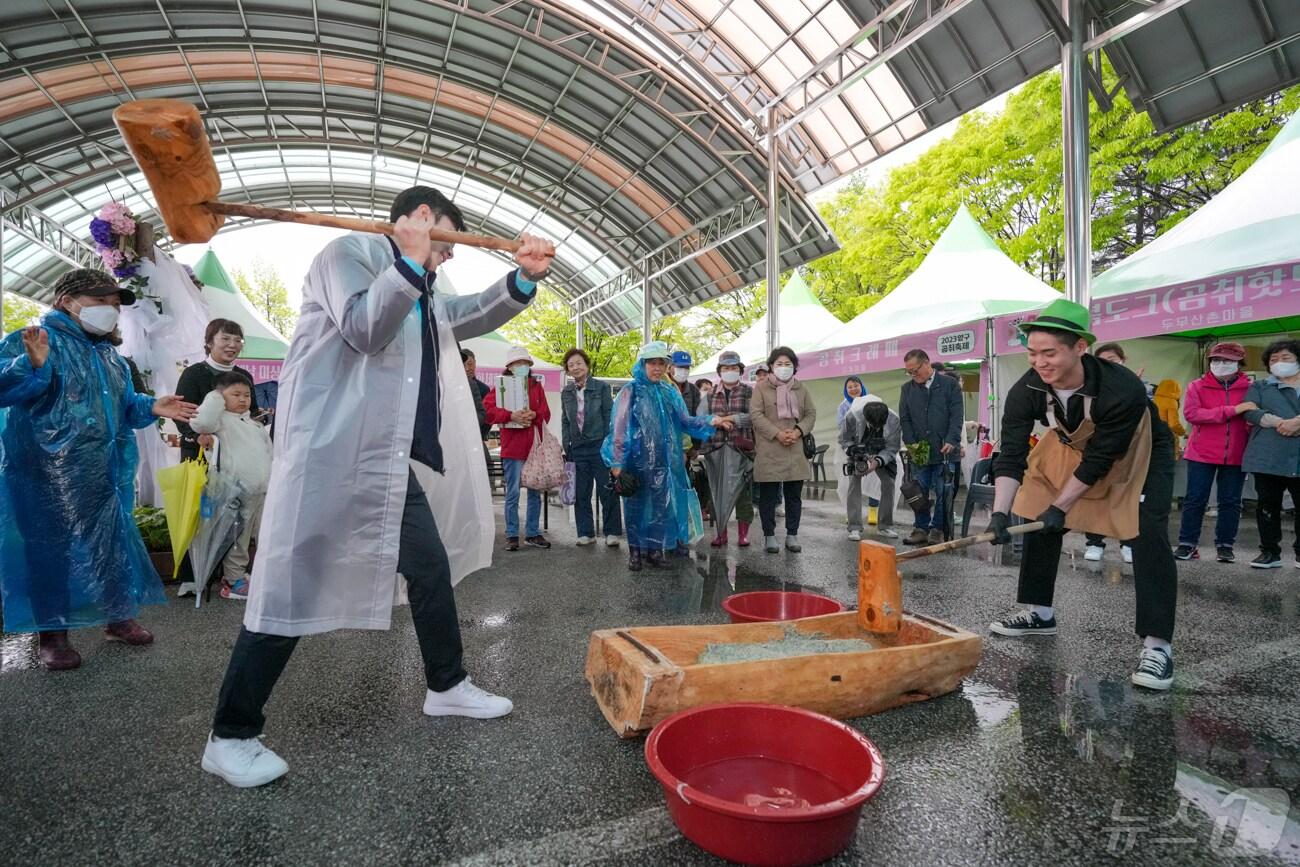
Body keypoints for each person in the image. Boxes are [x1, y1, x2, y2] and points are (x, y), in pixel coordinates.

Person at [201, 186, 554, 788]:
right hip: (329, 453)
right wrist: (413, 262)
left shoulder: (419, 283)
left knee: (430, 566)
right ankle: (231, 734)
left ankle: (447, 685)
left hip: (386, 462)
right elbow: (364, 327)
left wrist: (520, 280)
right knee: (291, 581)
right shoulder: (348, 254)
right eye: (444, 243)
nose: (446, 259)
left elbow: (462, 315)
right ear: (419, 220)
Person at [0, 269, 197, 671]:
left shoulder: (110, 357)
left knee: (111, 544)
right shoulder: (33, 340)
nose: (110, 310)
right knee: (49, 551)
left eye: (113, 304)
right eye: (100, 301)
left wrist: (151, 406)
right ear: (67, 302)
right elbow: (5, 387)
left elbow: (124, 407)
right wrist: (31, 365)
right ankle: (52, 635)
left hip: (105, 472)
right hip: (45, 474)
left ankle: (117, 617)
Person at [985, 299, 1178, 691]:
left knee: (1147, 533)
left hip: (1139, 448)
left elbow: (1100, 460)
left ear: (1079, 347)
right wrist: (1000, 514)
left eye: (1049, 353)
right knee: (1038, 513)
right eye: (1033, 353)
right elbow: (1012, 452)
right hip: (1070, 442)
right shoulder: (1028, 388)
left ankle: (1158, 647)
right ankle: (1039, 613)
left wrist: (1062, 507)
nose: (1040, 362)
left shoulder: (1120, 388)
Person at [601, 341, 730, 571]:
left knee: (661, 507)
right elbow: (618, 429)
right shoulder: (629, 392)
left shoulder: (669, 392)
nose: (657, 368)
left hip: (666, 463)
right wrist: (617, 464)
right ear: (642, 364)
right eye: (652, 362)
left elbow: (685, 421)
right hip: (636, 463)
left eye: (662, 363)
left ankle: (654, 551)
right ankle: (635, 553)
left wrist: (711, 420)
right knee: (635, 508)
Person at [189, 372, 275, 601]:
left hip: (262, 489)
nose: (243, 399)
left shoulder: (253, 424)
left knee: (263, 535)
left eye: (247, 394)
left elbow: (270, 453)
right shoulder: (220, 421)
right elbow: (201, 422)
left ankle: (251, 575)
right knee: (238, 537)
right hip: (236, 490)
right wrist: (216, 397)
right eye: (235, 394)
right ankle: (233, 580)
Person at [1174, 342, 1251, 563]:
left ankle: (1225, 545)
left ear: (1239, 363)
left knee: (1231, 501)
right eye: (1216, 360)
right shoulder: (1197, 386)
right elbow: (1193, 414)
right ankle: (1187, 543)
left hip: (1236, 451)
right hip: (1201, 452)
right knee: (1195, 499)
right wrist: (1232, 411)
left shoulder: (1251, 388)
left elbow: (1253, 417)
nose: (1221, 364)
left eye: (1227, 360)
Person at [483, 345, 552, 552]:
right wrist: (510, 416)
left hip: (533, 448)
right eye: (517, 363)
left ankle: (532, 533)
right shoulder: (500, 386)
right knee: (512, 493)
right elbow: (487, 410)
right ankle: (512, 534)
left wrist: (534, 416)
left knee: (534, 491)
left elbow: (545, 413)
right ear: (510, 366)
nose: (522, 366)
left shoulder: (536, 386)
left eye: (525, 363)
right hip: (512, 448)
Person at [752, 346, 816, 554]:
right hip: (770, 447)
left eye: (788, 364)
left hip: (794, 448)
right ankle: (769, 535)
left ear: (794, 367)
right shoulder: (761, 388)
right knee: (768, 496)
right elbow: (756, 415)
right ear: (771, 366)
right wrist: (777, 433)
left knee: (793, 495)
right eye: (779, 364)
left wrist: (798, 431)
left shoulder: (801, 388)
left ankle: (792, 534)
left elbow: (810, 414)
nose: (783, 367)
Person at [1242, 339, 1300, 569]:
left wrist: (1297, 423)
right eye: (1274, 359)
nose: (1279, 363)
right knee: (1267, 505)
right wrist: (1281, 423)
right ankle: (1269, 551)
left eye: (1286, 358)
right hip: (1267, 456)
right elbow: (1250, 411)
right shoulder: (1260, 386)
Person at [1081, 342, 1138, 564]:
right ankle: (1094, 542)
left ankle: (1129, 543)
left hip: (1130, 453)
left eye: (1112, 360)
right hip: (1099, 452)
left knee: (1127, 500)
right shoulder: (1091, 389)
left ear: (1123, 360)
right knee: (1096, 498)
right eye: (1102, 361)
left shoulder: (1140, 387)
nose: (1107, 365)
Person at [899, 348, 963, 544]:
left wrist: (952, 439)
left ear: (927, 363)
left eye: (915, 370)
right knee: (919, 490)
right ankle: (920, 528)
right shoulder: (907, 389)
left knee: (944, 490)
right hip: (920, 449)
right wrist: (911, 443)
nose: (912, 375)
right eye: (908, 372)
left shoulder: (949, 385)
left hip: (945, 448)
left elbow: (956, 414)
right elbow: (905, 418)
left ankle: (938, 528)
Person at [560, 347, 621, 547]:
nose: (575, 367)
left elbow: (609, 416)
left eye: (579, 363)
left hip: (599, 445)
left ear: (587, 365)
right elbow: (565, 420)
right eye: (571, 365)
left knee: (607, 490)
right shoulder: (567, 392)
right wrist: (566, 444)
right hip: (577, 447)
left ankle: (611, 532)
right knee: (581, 492)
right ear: (568, 371)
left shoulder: (601, 387)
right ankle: (585, 532)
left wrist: (609, 444)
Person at [176, 319, 260, 460]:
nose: (232, 345)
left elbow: (252, 410)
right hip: (200, 453)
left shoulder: (244, 376)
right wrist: (197, 436)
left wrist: (260, 418)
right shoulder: (193, 374)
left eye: (238, 340)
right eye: (225, 339)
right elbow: (181, 413)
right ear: (209, 343)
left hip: (237, 452)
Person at [706, 351, 754, 547]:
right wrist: (714, 422)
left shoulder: (750, 391)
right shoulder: (709, 395)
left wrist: (729, 419)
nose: (730, 371)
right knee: (716, 493)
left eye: (734, 368)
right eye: (726, 368)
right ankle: (720, 533)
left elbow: (753, 417)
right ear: (719, 371)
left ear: (740, 370)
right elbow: (702, 419)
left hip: (741, 449)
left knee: (743, 494)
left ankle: (743, 534)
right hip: (715, 449)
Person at [840, 395, 900, 542]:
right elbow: (844, 439)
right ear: (865, 418)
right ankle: (854, 527)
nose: (877, 428)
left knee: (889, 484)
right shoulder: (852, 417)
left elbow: (892, 447)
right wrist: (853, 450)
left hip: (883, 452)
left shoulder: (894, 420)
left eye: (880, 425)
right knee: (854, 483)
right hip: (859, 451)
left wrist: (877, 462)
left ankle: (885, 525)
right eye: (873, 425)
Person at [461, 347, 492, 441]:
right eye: (463, 364)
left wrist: (479, 437)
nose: (467, 368)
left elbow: (488, 417)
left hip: (476, 438)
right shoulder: (452, 387)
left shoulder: (484, 389)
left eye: (470, 364)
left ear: (475, 363)